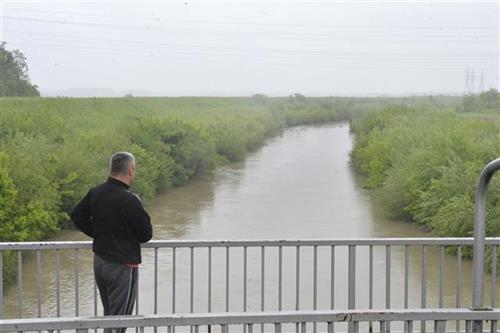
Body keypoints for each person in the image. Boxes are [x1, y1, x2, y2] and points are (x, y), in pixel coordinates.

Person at [71, 152, 152, 332]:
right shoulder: (130, 200)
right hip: (122, 266)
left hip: (100, 262)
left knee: (110, 315)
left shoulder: (96, 192)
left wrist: (98, 233)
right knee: (119, 321)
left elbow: (77, 215)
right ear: (130, 170)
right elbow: (146, 234)